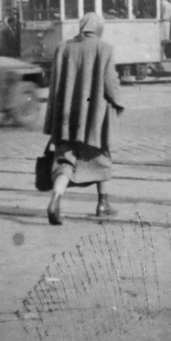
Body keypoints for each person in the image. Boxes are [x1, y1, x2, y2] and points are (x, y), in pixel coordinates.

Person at [42, 12, 125, 224]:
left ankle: (56, 198)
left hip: (66, 118)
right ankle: (102, 203)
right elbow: (110, 83)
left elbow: (54, 86)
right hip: (93, 117)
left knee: (65, 159)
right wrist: (118, 102)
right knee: (100, 156)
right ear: (98, 28)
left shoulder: (63, 47)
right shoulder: (104, 48)